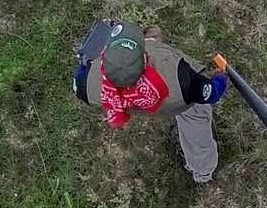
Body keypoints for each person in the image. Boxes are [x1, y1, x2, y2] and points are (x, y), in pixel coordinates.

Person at [73, 19, 227, 183]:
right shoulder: (182, 80)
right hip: (181, 102)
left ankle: (145, 46)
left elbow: (81, 71)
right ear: (145, 58)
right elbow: (212, 93)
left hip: (143, 104)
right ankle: (202, 171)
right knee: (196, 123)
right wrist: (220, 77)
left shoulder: (85, 86)